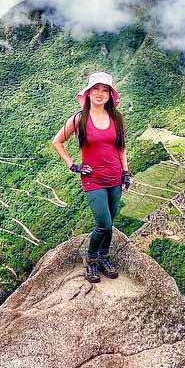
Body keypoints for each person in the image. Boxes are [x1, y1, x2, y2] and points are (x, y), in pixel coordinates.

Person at [51, 70, 132, 283]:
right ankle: (91, 260)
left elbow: (121, 147)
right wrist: (73, 166)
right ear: (88, 93)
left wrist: (126, 172)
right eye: (95, 89)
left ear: (109, 95)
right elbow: (57, 141)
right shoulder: (79, 119)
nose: (99, 93)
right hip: (93, 179)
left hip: (114, 177)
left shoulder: (116, 117)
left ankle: (104, 257)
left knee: (110, 221)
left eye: (104, 90)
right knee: (103, 223)